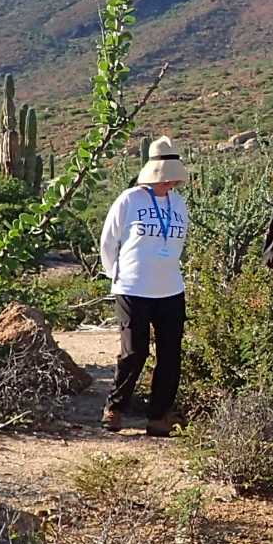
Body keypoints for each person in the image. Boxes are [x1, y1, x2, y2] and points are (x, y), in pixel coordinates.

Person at [97, 135, 191, 436]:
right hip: (132, 288)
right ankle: (115, 407)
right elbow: (108, 241)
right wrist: (116, 275)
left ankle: (158, 415)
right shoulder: (130, 199)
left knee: (170, 354)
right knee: (134, 352)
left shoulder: (179, 204)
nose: (169, 182)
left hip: (170, 289)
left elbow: (179, 244)